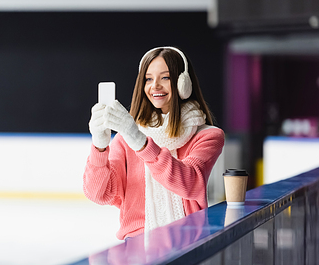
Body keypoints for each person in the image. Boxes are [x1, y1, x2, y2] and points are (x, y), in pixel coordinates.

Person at [83, 46, 225, 240]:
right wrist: (99, 146)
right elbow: (100, 194)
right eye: (148, 79)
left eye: (165, 78)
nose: (155, 86)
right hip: (137, 248)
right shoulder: (125, 139)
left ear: (183, 84)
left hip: (189, 241)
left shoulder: (208, 136)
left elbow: (190, 183)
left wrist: (139, 141)